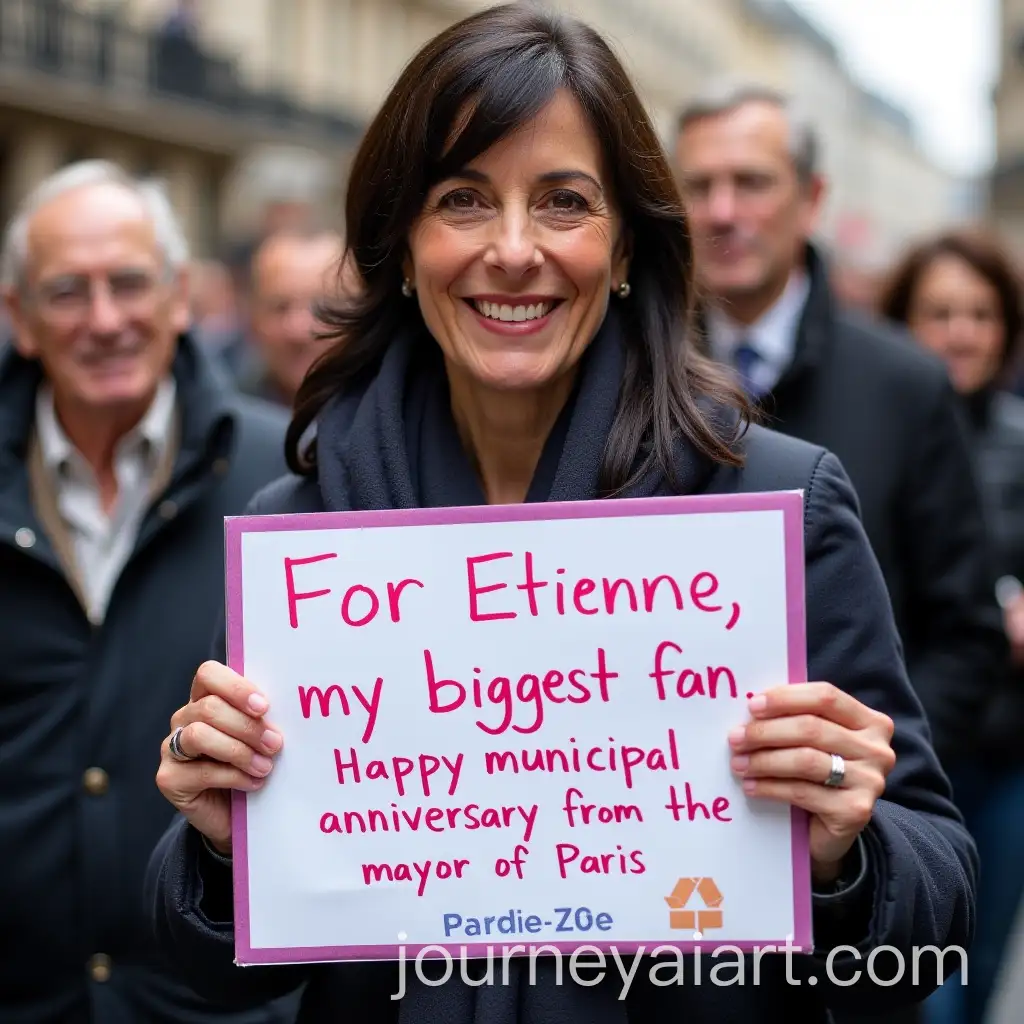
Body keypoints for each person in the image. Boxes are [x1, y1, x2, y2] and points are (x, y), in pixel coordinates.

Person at [146, 5, 975, 1023]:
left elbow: (932, 913)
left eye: (563, 201)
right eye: (461, 198)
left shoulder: (773, 505)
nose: (511, 250)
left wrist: (850, 851)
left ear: (626, 246)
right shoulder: (305, 539)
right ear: (399, 246)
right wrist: (220, 847)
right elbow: (226, 972)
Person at [0, 160, 297, 1023]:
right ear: (19, 318)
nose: (104, 320)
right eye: (67, 291)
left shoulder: (285, 477)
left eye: (130, 283)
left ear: (179, 299)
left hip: (217, 1007)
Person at [672, 81, 1005, 778]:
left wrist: (880, 780)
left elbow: (965, 634)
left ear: (812, 199)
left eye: (752, 182)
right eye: (700, 186)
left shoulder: (906, 384)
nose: (724, 211)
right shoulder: (629, 379)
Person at [879, 229, 1024, 1024]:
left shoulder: (1018, 441)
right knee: (923, 987)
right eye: (939, 312)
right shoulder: (872, 439)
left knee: (982, 967)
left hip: (1002, 758)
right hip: (901, 758)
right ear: (902, 321)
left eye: (980, 313)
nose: (961, 332)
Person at [235, 228, 345, 406]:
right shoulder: (226, 423)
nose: (298, 330)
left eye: (323, 308)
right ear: (253, 319)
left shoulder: (390, 420)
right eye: (280, 308)